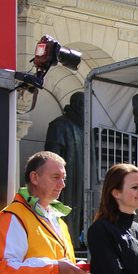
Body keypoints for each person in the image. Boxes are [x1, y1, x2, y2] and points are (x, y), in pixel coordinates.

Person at [43, 91, 85, 247]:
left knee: (80, 211)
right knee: (64, 210)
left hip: (81, 178)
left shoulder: (83, 128)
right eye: (83, 105)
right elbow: (52, 155)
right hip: (65, 180)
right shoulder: (59, 125)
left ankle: (76, 243)